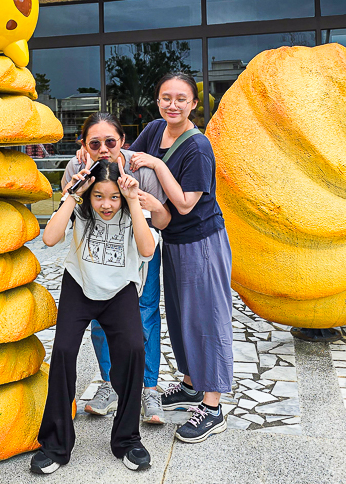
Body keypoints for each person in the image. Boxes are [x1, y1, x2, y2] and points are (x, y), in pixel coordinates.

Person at [33, 160, 158, 475]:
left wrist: (130, 199)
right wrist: (73, 195)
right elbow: (49, 239)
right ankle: (55, 445)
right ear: (90, 197)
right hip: (79, 284)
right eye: (99, 196)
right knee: (62, 352)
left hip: (120, 290)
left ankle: (128, 440)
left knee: (133, 351)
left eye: (113, 197)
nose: (106, 204)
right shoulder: (79, 205)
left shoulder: (131, 207)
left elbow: (146, 250)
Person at [128, 73, 233, 444]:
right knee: (181, 316)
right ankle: (191, 385)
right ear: (158, 101)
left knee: (207, 320)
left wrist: (157, 166)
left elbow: (186, 203)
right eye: (165, 98)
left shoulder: (199, 147)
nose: (172, 105)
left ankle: (213, 405)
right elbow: (128, 160)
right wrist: (92, 154)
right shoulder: (156, 129)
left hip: (202, 242)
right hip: (170, 239)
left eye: (181, 99)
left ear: (193, 104)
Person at [62, 113, 170, 425]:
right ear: (84, 144)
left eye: (111, 141)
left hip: (139, 250)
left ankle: (148, 389)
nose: (103, 148)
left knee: (145, 315)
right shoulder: (75, 168)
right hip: (98, 257)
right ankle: (109, 385)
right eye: (95, 143)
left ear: (122, 141)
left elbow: (161, 220)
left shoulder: (140, 167)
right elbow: (74, 216)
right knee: (99, 322)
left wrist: (143, 202)